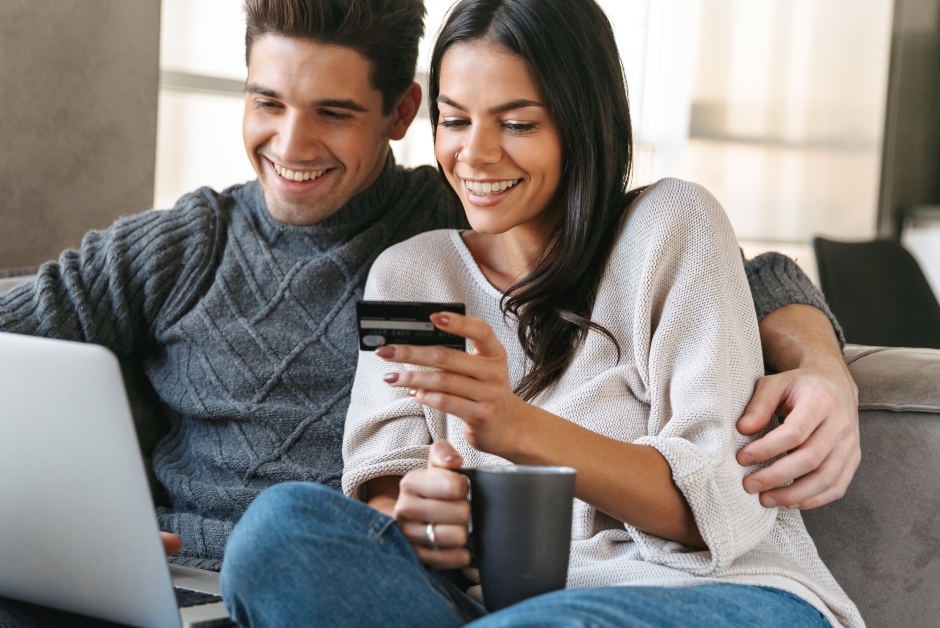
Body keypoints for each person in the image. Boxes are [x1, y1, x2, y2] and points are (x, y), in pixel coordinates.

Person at [0, 0, 857, 625]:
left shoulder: (504, 216)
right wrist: (58, 518)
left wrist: (814, 345)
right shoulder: (255, 248)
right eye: (267, 103)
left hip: (600, 589)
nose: (292, 143)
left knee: (302, 535)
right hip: (167, 585)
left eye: (334, 111)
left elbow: (710, 271)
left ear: (397, 113)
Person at [219, 0, 863, 626]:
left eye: (518, 123)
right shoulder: (411, 273)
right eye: (455, 120)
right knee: (278, 533)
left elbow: (721, 506)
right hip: (492, 607)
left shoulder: (670, 226)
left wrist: (514, 428)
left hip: (709, 591)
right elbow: (387, 483)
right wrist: (421, 516)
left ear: (582, 123)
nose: (475, 154)